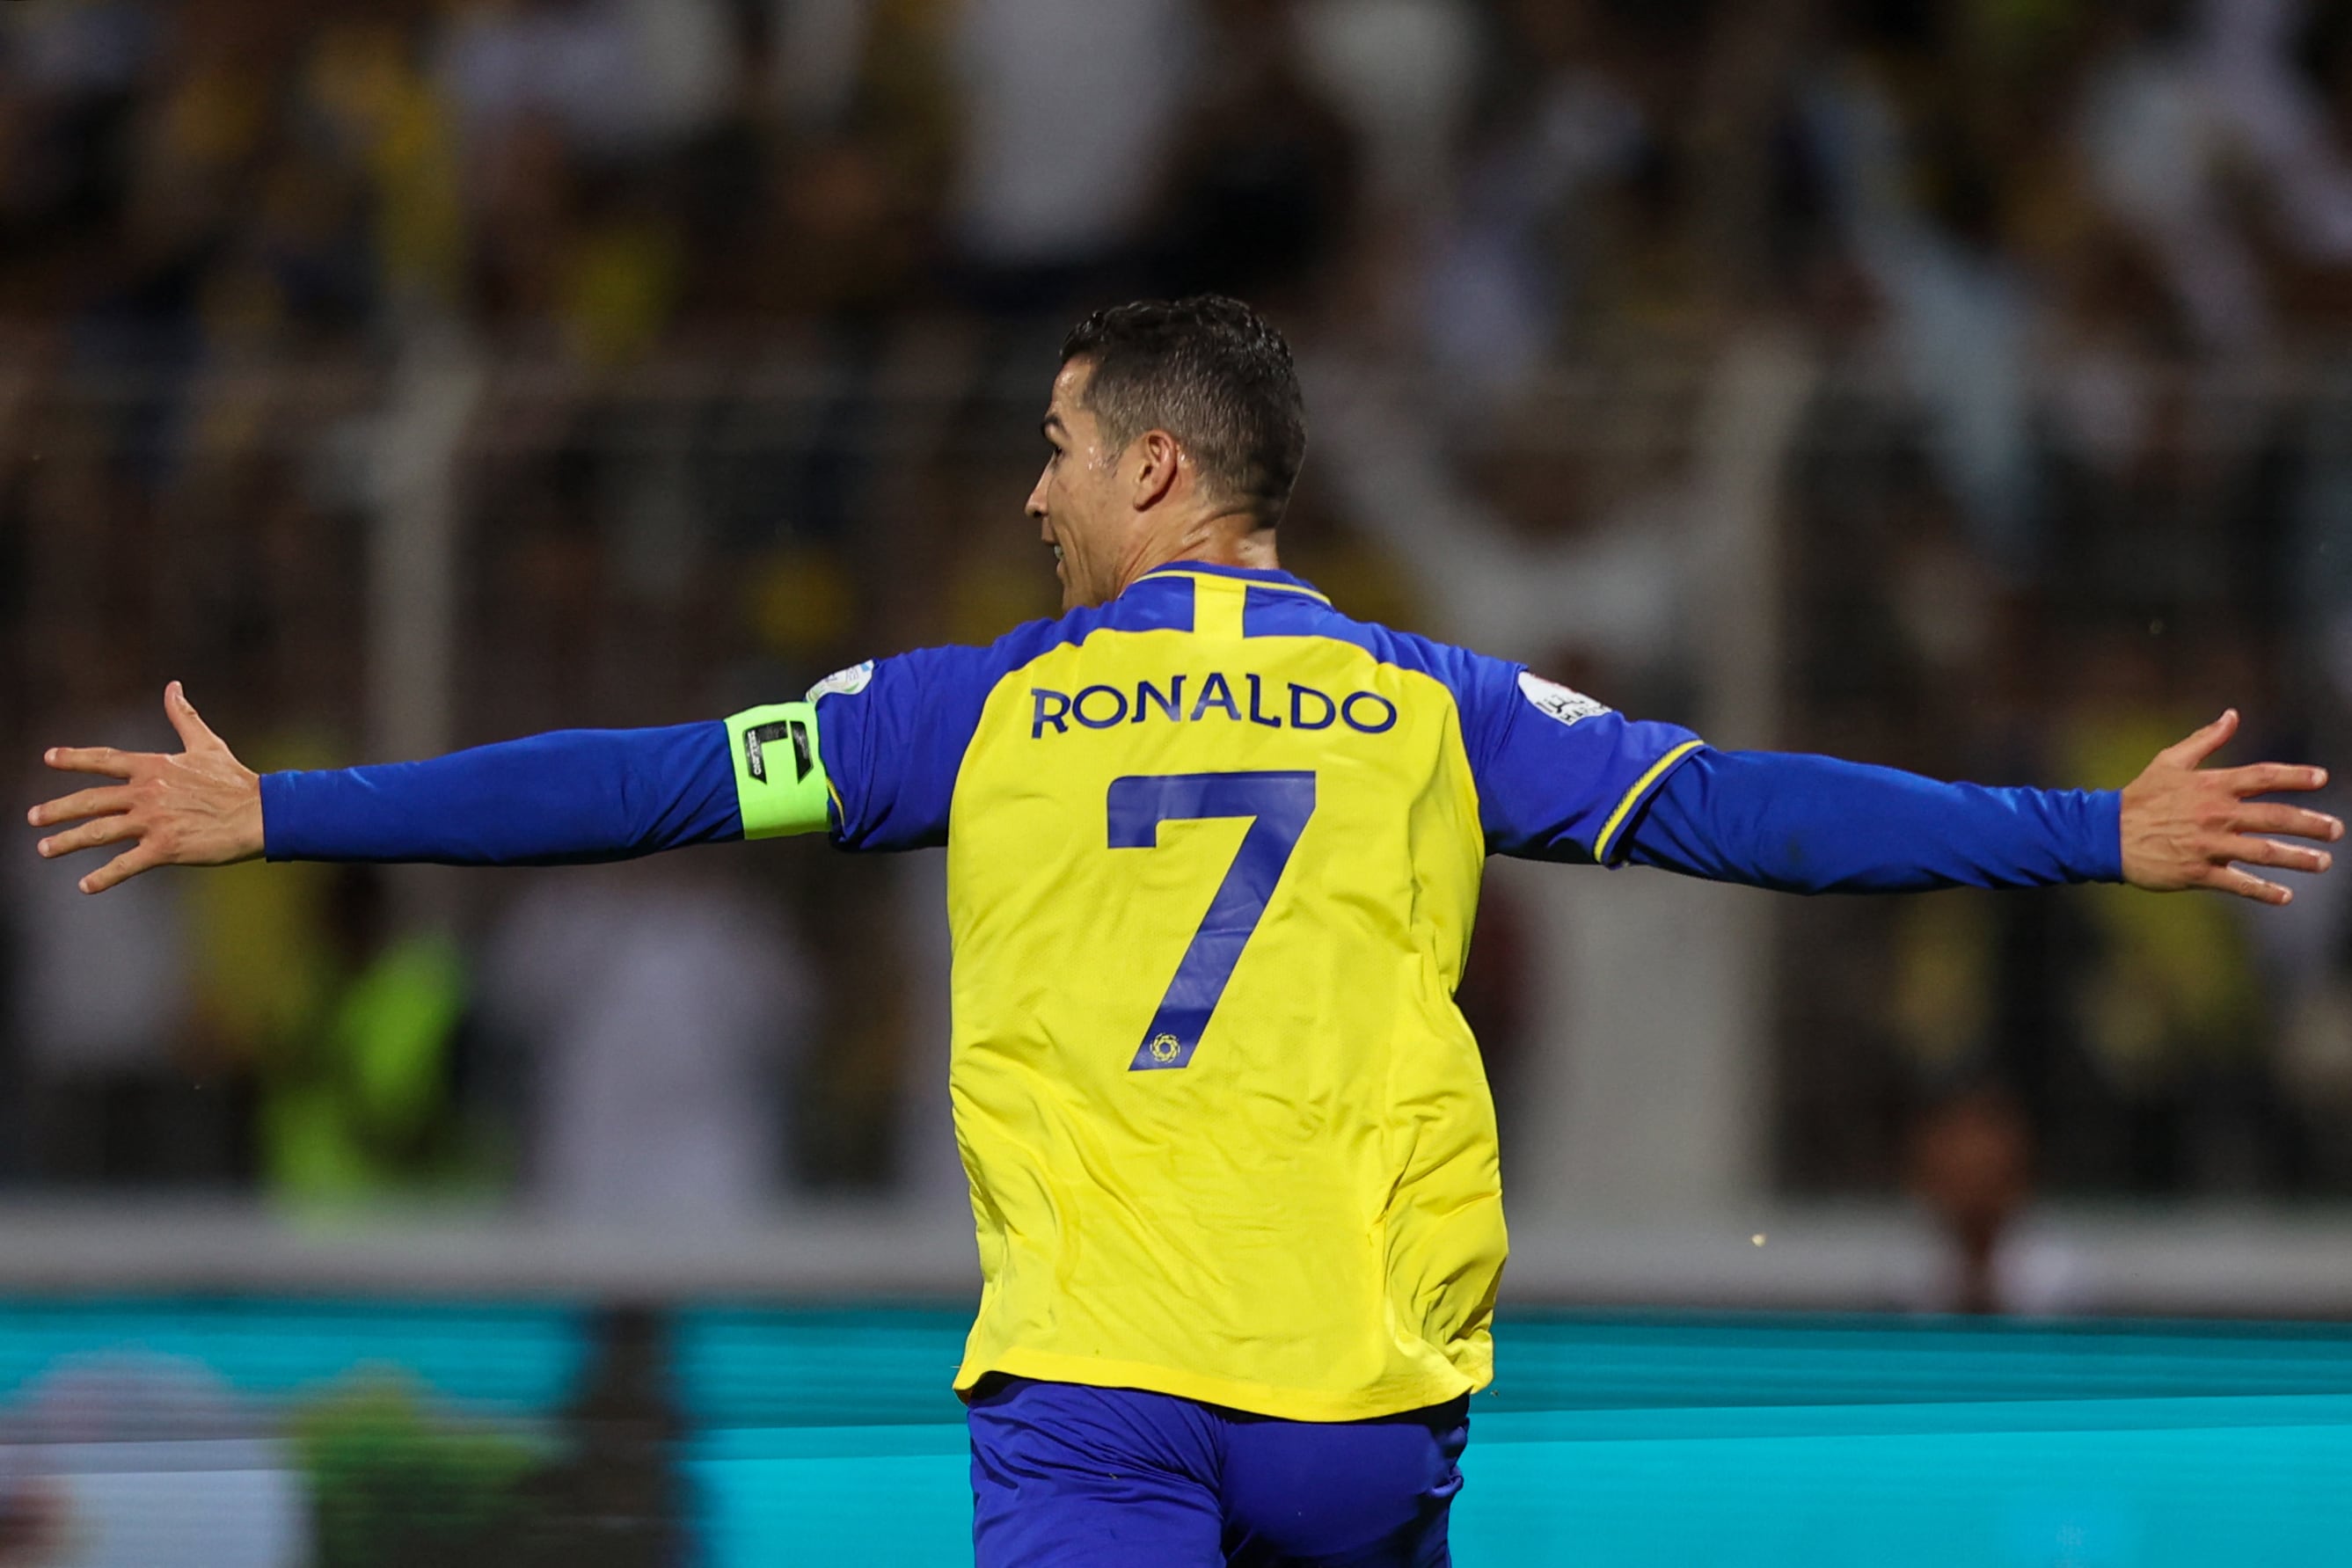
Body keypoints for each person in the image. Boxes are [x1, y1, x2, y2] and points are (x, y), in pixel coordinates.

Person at [24, 296, 2341, 1567]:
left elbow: (635, 779)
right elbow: (1740, 812)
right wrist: (2077, 830)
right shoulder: (1434, 703)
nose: (1026, 486)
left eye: (1052, 442)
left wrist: (285, 814)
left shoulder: (969, 714)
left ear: (1153, 467)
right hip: (1363, 1401)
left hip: (1100, 1392)